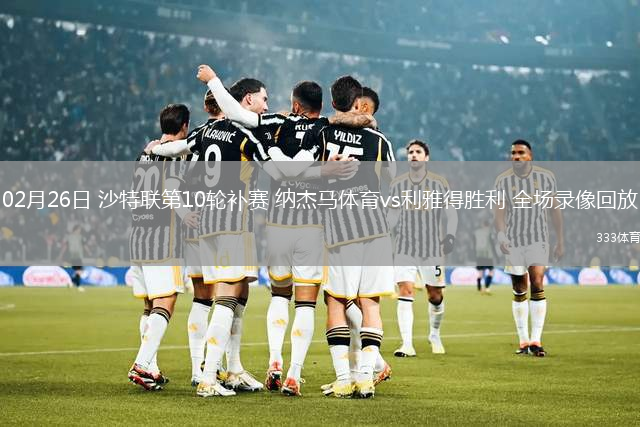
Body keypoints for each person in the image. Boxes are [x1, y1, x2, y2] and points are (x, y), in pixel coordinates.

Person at [302, 75, 396, 398]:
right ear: (359, 103)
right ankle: (366, 378)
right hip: (375, 229)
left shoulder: (321, 134)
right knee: (370, 304)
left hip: (340, 230)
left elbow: (297, 173)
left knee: (336, 302)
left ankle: (344, 378)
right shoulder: (380, 141)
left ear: (333, 103)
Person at [127, 104, 197, 390]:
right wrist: (186, 215)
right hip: (162, 238)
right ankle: (141, 364)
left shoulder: (145, 154)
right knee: (165, 302)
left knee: (149, 305)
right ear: (184, 125)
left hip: (138, 236)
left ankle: (151, 367)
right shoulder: (176, 154)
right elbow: (170, 190)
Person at [494, 139, 564, 357]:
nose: (516, 156)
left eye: (521, 153)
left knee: (537, 281)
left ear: (530, 155)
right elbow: (499, 211)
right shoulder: (503, 180)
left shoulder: (545, 177)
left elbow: (554, 209)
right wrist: (501, 235)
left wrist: (560, 240)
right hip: (514, 241)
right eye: (513, 153)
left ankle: (536, 340)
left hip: (538, 239)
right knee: (519, 288)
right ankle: (523, 340)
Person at [388, 140, 458, 357]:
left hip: (432, 248)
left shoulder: (438, 183)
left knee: (435, 295)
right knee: (405, 290)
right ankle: (407, 344)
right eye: (410, 152)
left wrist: (450, 235)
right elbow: (392, 215)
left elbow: (451, 212)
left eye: (418, 152)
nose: (413, 155)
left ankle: (434, 334)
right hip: (404, 247)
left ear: (426, 157)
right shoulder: (398, 184)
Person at [474, 219, 495, 294]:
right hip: (487, 255)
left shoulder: (477, 232)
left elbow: (474, 243)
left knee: (480, 272)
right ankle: (486, 287)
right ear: (488, 225)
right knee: (491, 271)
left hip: (479, 255)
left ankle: (479, 287)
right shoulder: (489, 233)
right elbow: (492, 244)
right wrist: (496, 256)